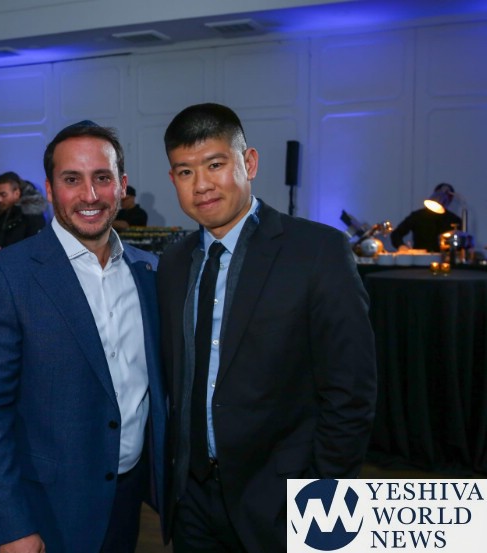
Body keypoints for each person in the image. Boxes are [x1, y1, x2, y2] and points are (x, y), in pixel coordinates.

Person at [157, 103, 376, 553]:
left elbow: (351, 391)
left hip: (280, 500)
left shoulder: (317, 252)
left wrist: (321, 494)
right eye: (185, 172)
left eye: (215, 164)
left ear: (249, 163)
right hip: (191, 502)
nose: (201, 185)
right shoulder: (173, 263)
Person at [0, 120, 166, 553]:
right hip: (44, 509)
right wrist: (11, 525)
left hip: (127, 501)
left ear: (122, 185)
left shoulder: (148, 271)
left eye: (102, 178)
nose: (90, 195)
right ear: (51, 190)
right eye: (72, 179)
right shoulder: (6, 275)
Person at [0, 171, 46, 251]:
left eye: (3, 195)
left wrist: (5, 251)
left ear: (17, 193)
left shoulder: (33, 215)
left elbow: (37, 249)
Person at [390, 182, 461, 252]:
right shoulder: (418, 216)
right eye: (439, 195)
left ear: (450, 199)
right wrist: (401, 246)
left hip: (444, 257)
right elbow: (396, 234)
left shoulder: (454, 220)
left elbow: (460, 243)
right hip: (420, 257)